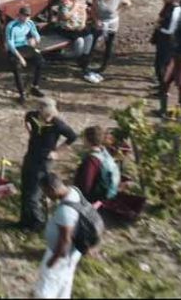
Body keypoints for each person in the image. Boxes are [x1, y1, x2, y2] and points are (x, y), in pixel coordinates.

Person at [19, 98, 78, 231]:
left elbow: (72, 137)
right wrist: (31, 133)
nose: (48, 117)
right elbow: (27, 118)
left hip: (44, 162)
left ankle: (38, 223)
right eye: (46, 114)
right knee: (25, 188)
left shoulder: (57, 125)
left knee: (34, 193)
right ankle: (24, 220)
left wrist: (57, 152)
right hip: (30, 157)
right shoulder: (33, 116)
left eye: (50, 114)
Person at [33, 173, 83, 299]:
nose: (46, 196)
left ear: (53, 189)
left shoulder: (65, 211)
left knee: (46, 286)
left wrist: (52, 261)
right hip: (74, 252)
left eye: (46, 192)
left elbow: (65, 240)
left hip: (61, 254)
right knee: (64, 282)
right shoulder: (74, 191)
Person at [90, 0, 132, 79]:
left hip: (111, 25)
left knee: (109, 44)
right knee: (92, 42)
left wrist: (118, 12)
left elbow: (128, 3)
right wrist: (96, 20)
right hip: (99, 23)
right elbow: (93, 10)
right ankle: (87, 62)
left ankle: (104, 65)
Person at [5, 5, 45, 104]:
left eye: (27, 16)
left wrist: (35, 40)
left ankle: (34, 86)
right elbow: (10, 43)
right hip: (15, 49)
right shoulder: (11, 26)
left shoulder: (30, 23)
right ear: (19, 15)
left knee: (41, 62)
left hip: (25, 46)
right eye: (24, 16)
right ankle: (22, 93)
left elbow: (36, 34)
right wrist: (20, 57)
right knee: (16, 66)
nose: (25, 18)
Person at [55, 0, 94, 82]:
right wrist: (74, 7)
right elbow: (65, 17)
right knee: (80, 41)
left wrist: (83, 22)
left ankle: (84, 59)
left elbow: (84, 11)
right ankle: (76, 57)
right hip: (67, 27)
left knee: (89, 37)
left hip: (78, 25)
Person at [74, 126, 121, 204]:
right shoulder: (104, 154)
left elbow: (86, 185)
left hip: (92, 202)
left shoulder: (92, 160)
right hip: (104, 199)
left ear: (87, 139)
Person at [151, 0, 181, 87]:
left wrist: (159, 27)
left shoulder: (174, 12)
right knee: (161, 64)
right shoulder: (172, 8)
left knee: (161, 65)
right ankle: (162, 85)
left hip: (168, 41)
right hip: (166, 41)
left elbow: (170, 30)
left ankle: (163, 87)